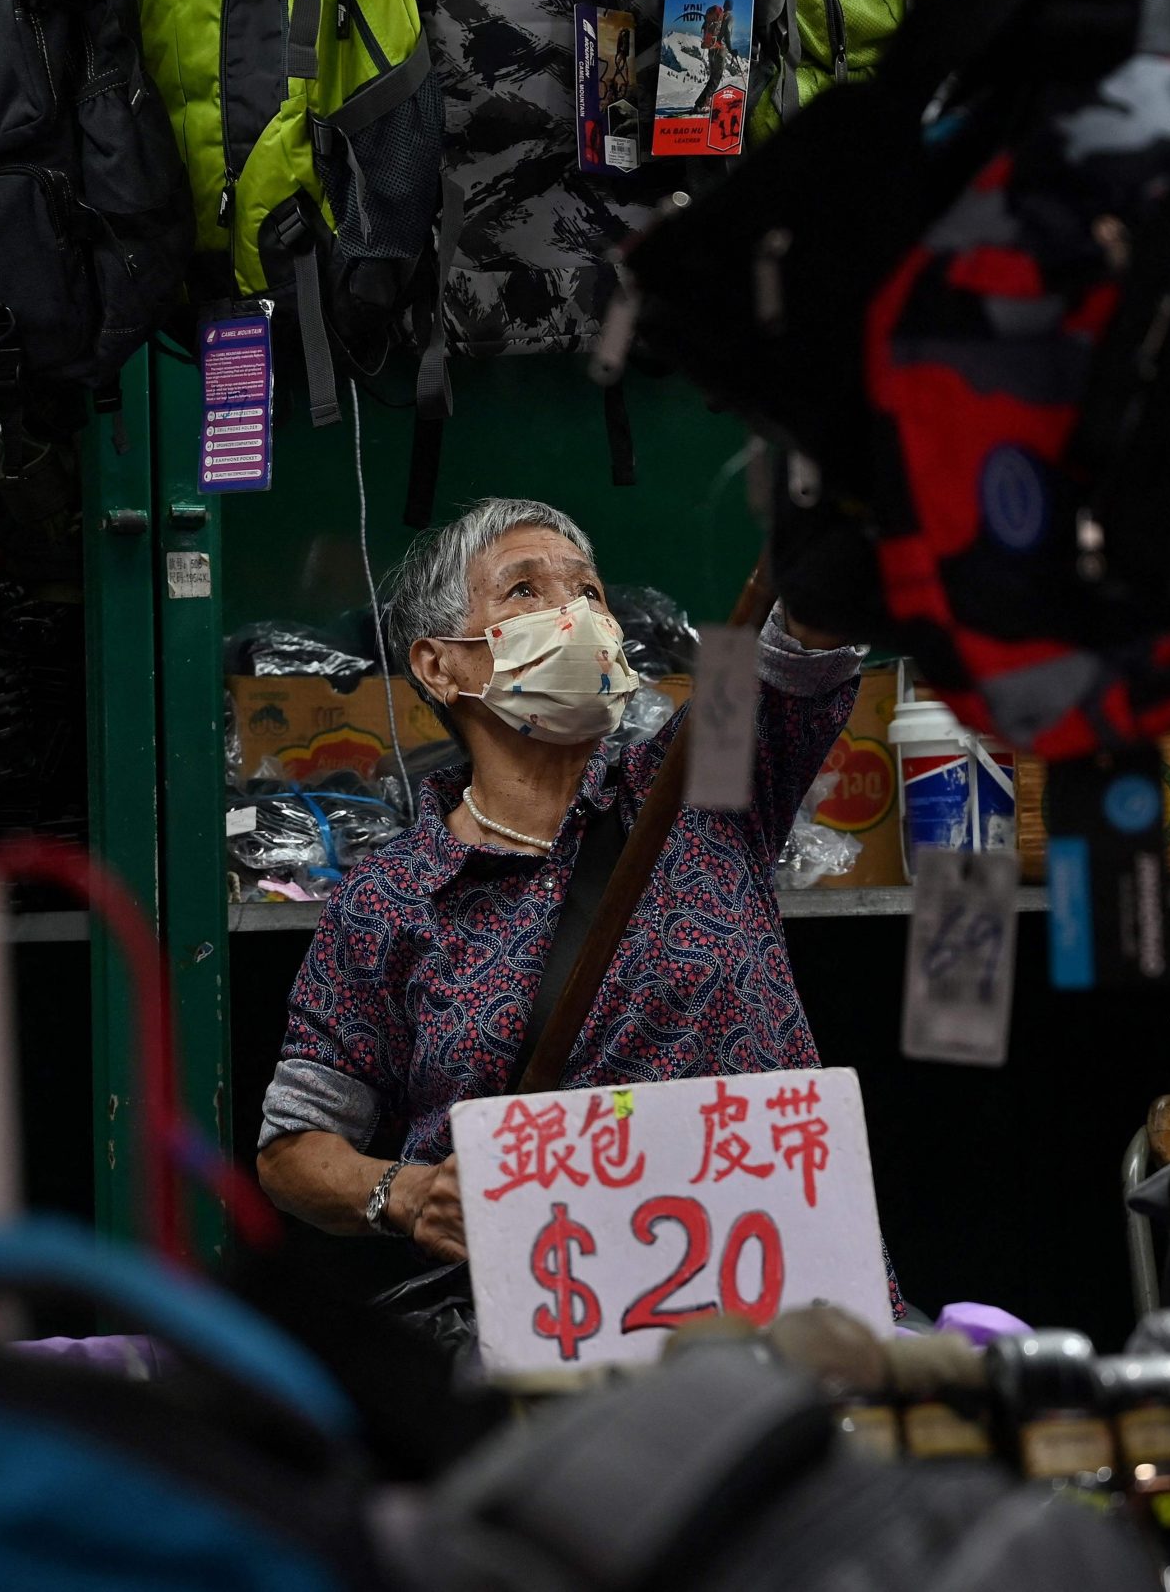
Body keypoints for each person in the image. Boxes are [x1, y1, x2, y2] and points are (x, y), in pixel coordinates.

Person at [255, 498, 863, 1266]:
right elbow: (292, 1148)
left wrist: (831, 544)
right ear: (440, 665)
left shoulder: (699, 781)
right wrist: (404, 1194)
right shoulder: (387, 898)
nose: (574, 613)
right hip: (555, 1319)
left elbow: (797, 645)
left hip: (787, 1290)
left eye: (589, 591)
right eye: (524, 591)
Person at [691, 0, 734, 112]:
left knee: (712, 78)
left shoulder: (717, 17)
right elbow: (728, 35)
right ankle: (700, 105)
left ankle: (705, 102)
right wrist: (731, 49)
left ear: (724, 6)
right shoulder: (729, 18)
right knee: (716, 79)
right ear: (731, 7)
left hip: (711, 50)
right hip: (720, 51)